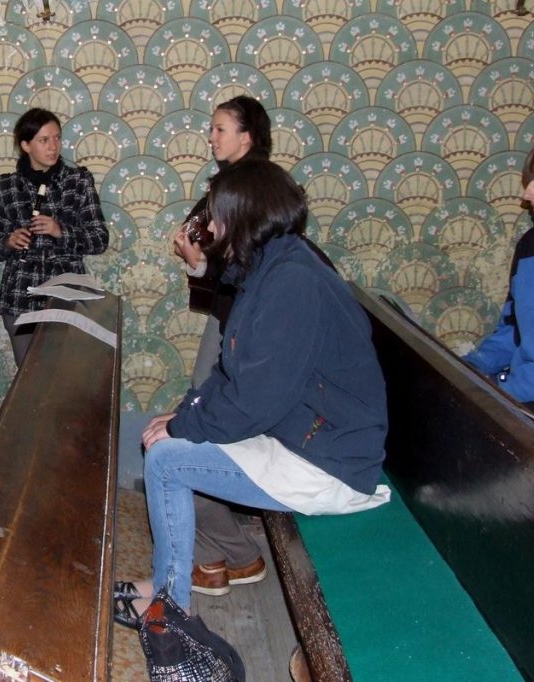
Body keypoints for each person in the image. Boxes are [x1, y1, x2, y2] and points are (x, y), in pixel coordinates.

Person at [114, 160, 391, 624]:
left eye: (216, 216)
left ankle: (170, 604)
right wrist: (185, 413)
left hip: (328, 460)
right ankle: (167, 584)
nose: (210, 227)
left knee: (166, 461)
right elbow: (232, 370)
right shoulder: (269, 268)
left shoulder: (291, 282)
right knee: (169, 440)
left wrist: (183, 427)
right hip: (302, 435)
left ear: (242, 216)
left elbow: (253, 401)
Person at [171, 96, 274, 596]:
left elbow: (245, 266)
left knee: (197, 427)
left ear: (246, 136)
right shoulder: (228, 184)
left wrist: (200, 260)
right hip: (227, 318)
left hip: (242, 325)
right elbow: (217, 260)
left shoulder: (254, 190)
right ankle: (215, 552)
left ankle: (231, 552)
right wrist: (197, 259)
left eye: (220, 129)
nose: (211, 137)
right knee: (195, 420)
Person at [0, 107, 110, 365]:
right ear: (26, 145)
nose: (53, 146)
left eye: (57, 138)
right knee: (29, 377)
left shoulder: (78, 181)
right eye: (44, 140)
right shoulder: (6, 186)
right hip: (20, 296)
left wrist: (60, 231)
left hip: (67, 294)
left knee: (63, 376)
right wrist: (8, 241)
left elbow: (99, 239)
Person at [464, 136, 534, 417]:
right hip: (527, 392)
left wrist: (505, 388)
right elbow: (513, 332)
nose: (528, 194)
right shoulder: (530, 246)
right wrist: (472, 368)